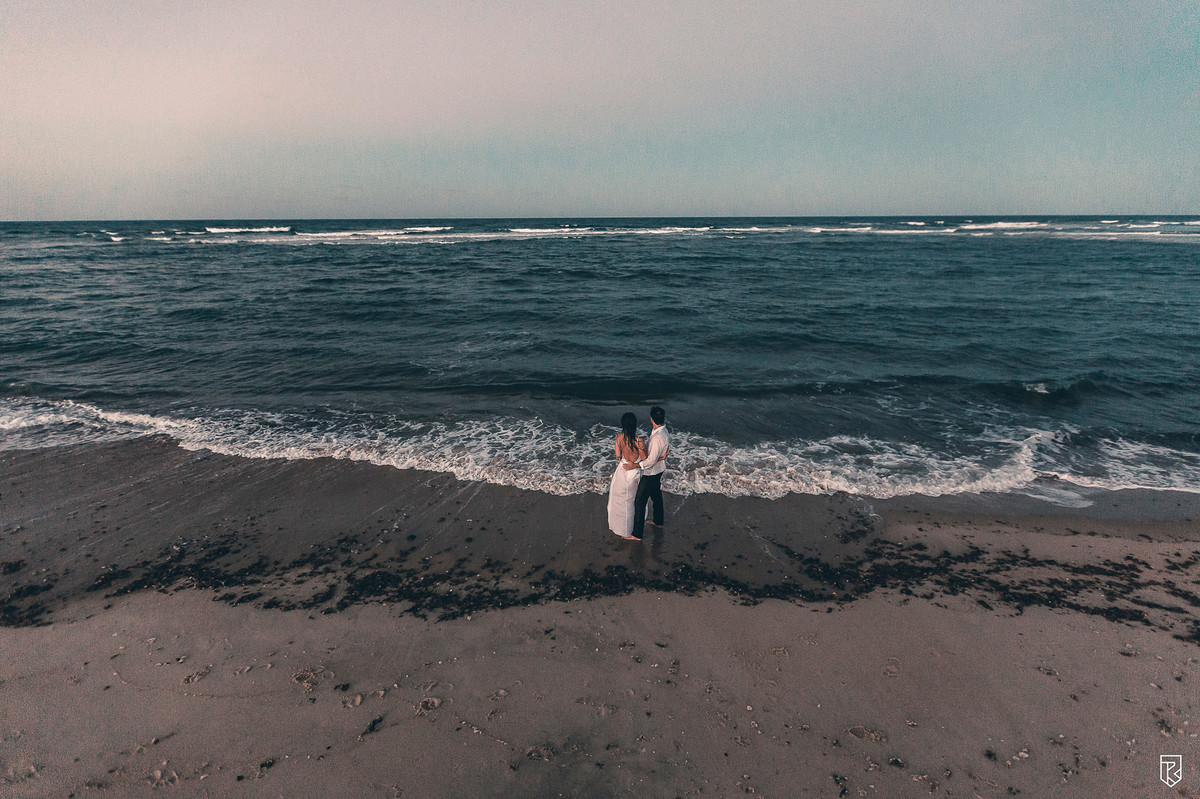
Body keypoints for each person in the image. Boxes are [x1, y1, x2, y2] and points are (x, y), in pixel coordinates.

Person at [630, 406, 669, 540]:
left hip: (651, 473)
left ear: (651, 419)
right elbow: (657, 453)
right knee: (656, 496)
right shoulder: (663, 431)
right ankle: (658, 521)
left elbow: (651, 460)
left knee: (639, 501)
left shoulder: (657, 437)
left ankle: (637, 534)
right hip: (659, 470)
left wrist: (637, 465)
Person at [607, 412, 646, 540]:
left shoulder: (619, 437)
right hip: (633, 473)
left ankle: (624, 530)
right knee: (632, 502)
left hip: (622, 472)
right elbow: (645, 460)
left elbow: (618, 456)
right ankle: (632, 528)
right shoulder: (639, 441)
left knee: (620, 502)